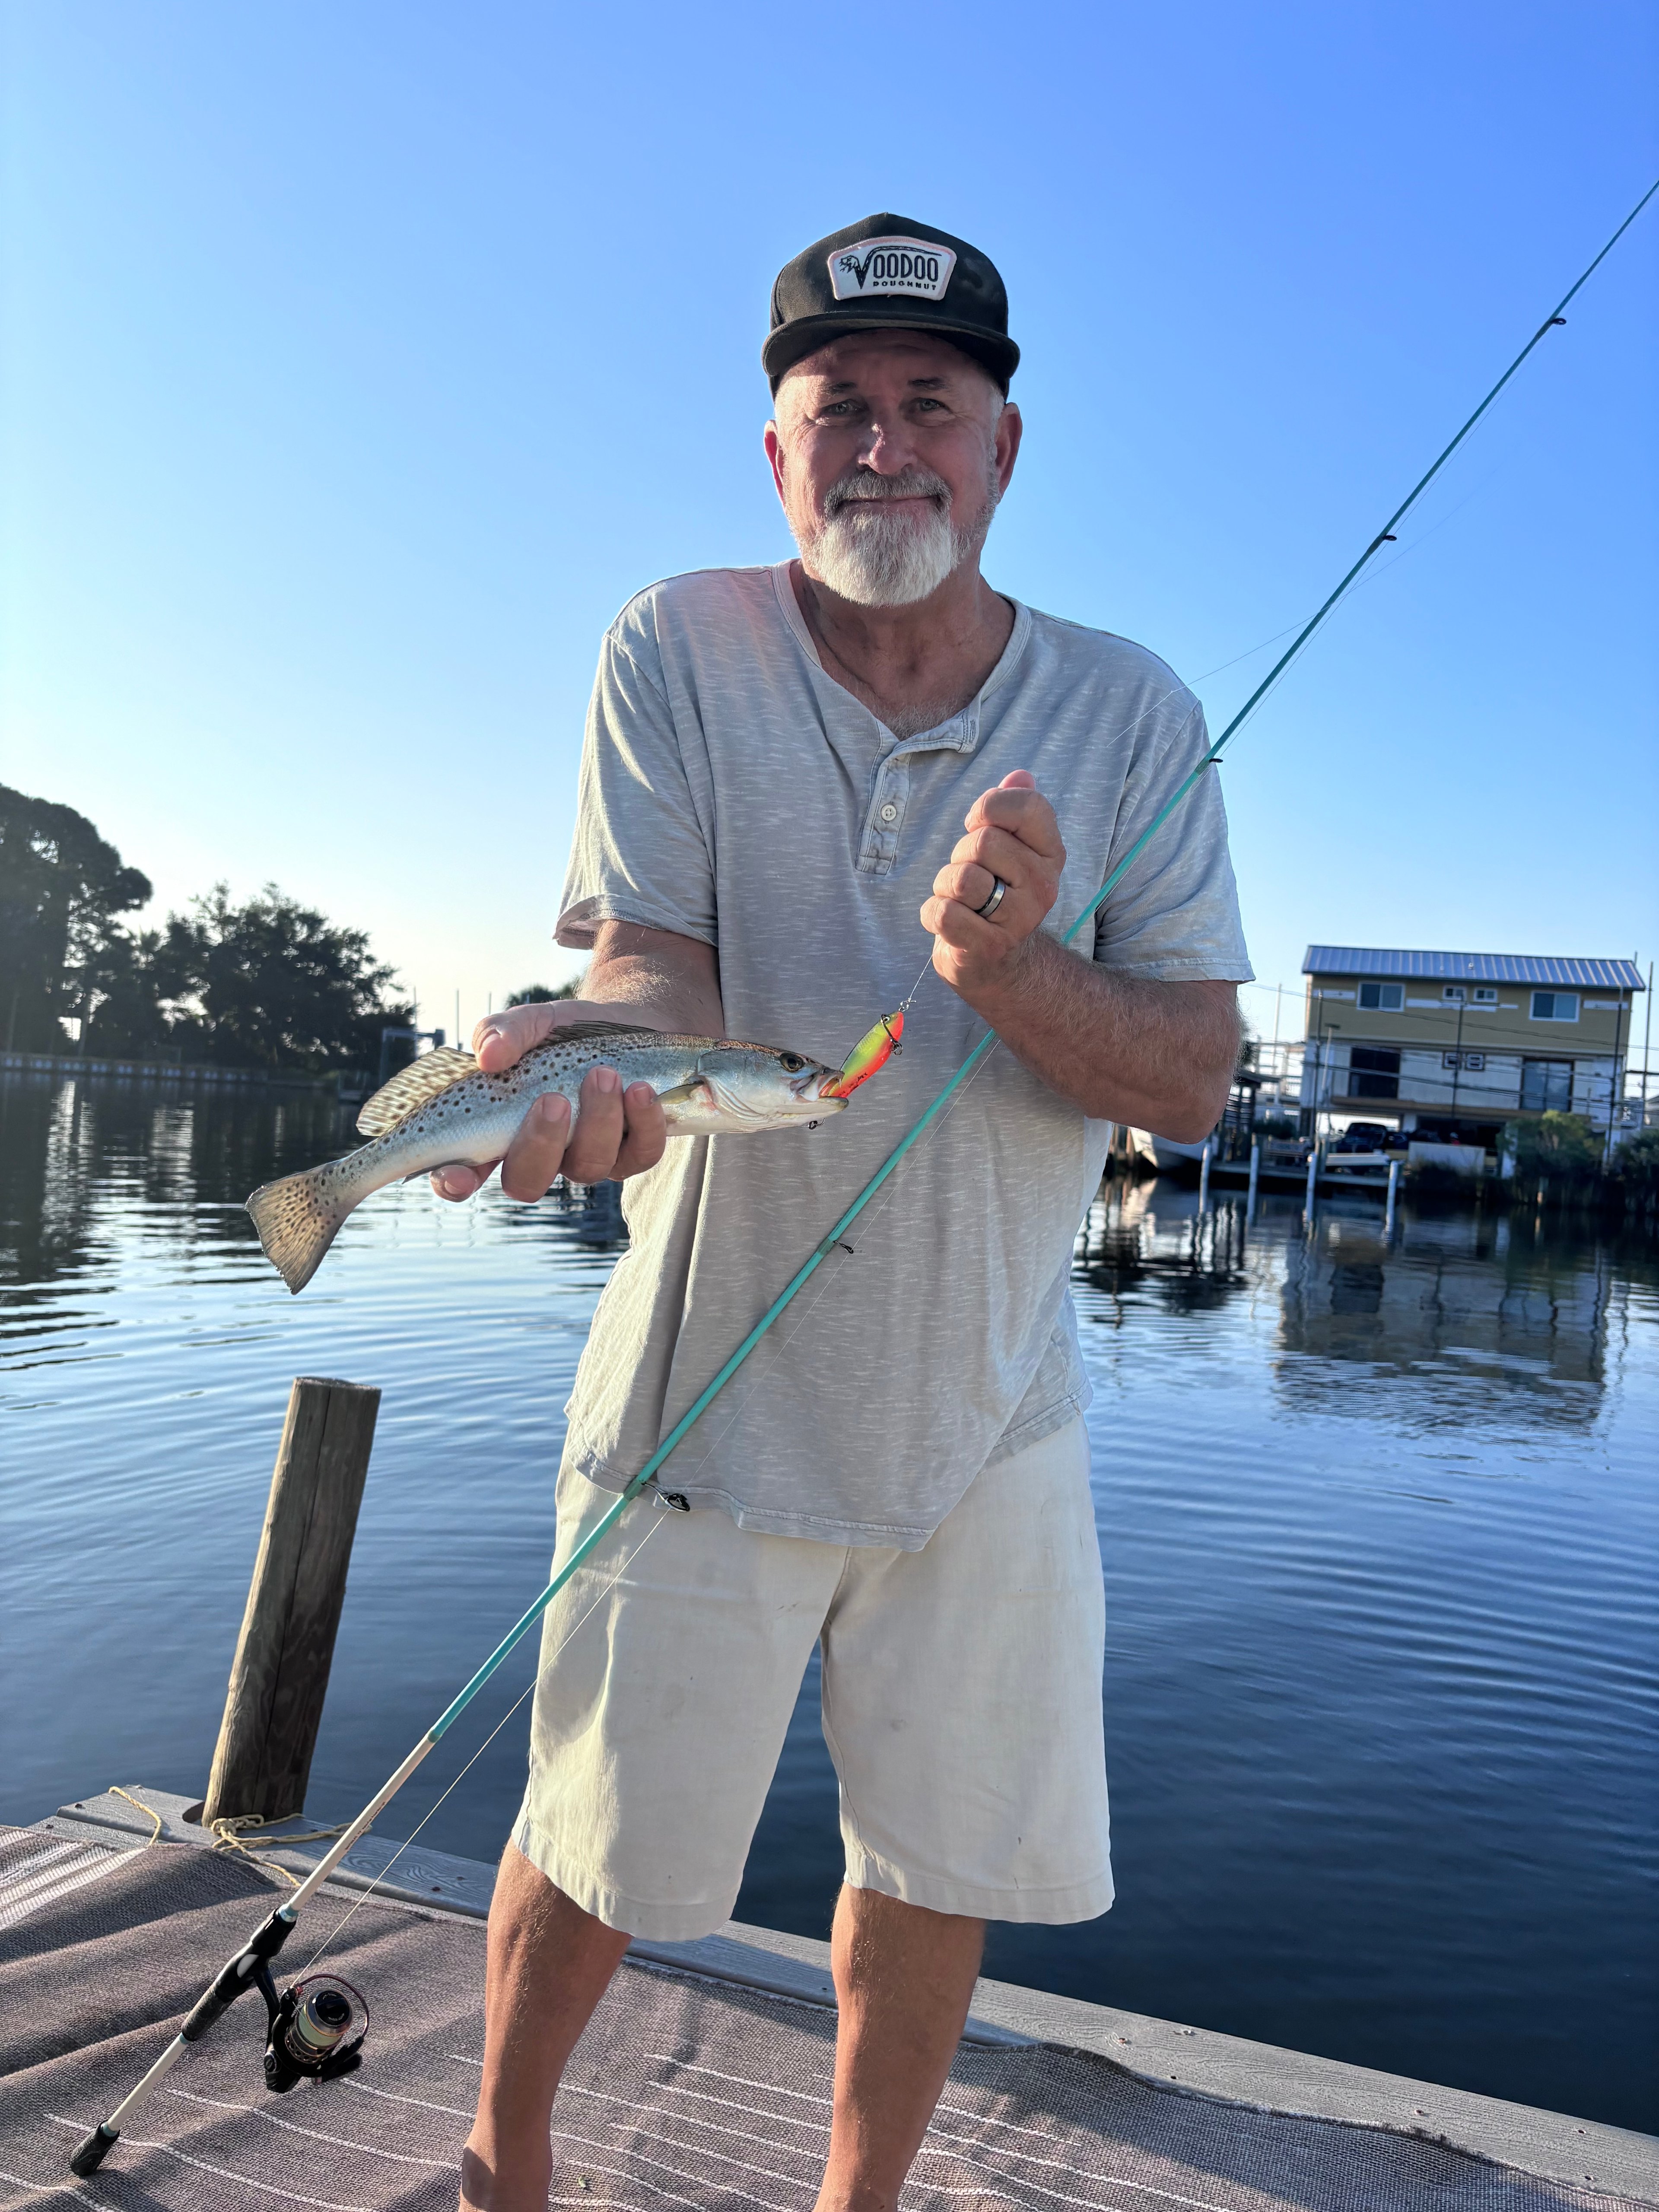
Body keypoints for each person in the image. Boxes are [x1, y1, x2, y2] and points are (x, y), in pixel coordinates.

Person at [438, 213, 1252, 2212]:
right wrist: (583, 1062)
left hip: (996, 1407)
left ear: (1005, 448)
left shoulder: (1136, 709)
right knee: (599, 1832)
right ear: (776, 453)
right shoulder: (673, 642)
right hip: (702, 1396)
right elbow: (660, 981)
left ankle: (857, 2204)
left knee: (944, 1852)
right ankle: (503, 2163)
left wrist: (1011, 968)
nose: (887, 446)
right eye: (841, 409)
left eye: (931, 404)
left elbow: (1194, 1077)